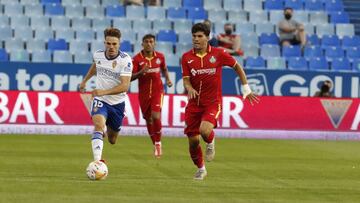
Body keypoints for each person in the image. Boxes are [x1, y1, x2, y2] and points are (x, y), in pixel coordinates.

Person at [181, 23, 259, 180]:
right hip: (193, 105)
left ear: (207, 37)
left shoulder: (219, 54)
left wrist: (246, 88)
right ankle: (201, 168)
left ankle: (210, 142)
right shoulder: (186, 57)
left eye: (200, 36)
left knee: (204, 131)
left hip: (212, 102)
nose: (196, 39)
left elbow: (237, 67)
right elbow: (186, 80)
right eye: (194, 36)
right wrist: (189, 88)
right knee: (193, 142)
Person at [79, 28, 133, 163]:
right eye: (108, 44)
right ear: (105, 43)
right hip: (100, 100)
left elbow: (125, 86)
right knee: (98, 126)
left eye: (114, 44)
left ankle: (107, 128)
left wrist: (102, 91)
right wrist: (84, 81)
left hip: (117, 104)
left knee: (112, 139)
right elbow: (95, 66)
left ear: (119, 44)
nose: (111, 47)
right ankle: (97, 162)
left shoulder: (125, 60)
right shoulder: (98, 55)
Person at [131, 34, 173, 158]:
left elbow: (164, 69)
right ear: (142, 44)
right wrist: (141, 72)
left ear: (154, 43)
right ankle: (154, 143)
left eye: (151, 41)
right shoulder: (136, 59)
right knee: (148, 119)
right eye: (146, 41)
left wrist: (168, 79)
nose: (149, 43)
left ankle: (159, 143)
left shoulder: (160, 57)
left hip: (157, 91)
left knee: (155, 115)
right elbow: (130, 77)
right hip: (143, 93)